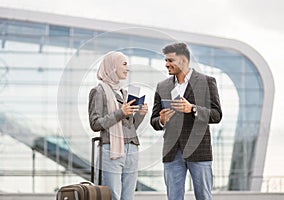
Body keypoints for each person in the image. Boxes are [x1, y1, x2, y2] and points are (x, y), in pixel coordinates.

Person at [150, 42, 222, 200]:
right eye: (166, 61)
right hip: (172, 152)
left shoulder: (207, 82)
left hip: (199, 151)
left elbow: (217, 115)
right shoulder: (162, 86)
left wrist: (193, 109)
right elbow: (154, 120)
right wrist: (161, 120)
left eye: (170, 60)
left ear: (183, 60)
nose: (166, 64)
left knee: (204, 196)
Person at [88, 51, 148, 200]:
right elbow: (95, 123)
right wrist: (120, 112)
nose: (127, 68)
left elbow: (130, 126)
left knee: (128, 197)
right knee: (112, 196)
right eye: (124, 64)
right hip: (111, 150)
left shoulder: (125, 93)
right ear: (112, 66)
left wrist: (141, 113)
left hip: (132, 148)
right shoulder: (99, 91)